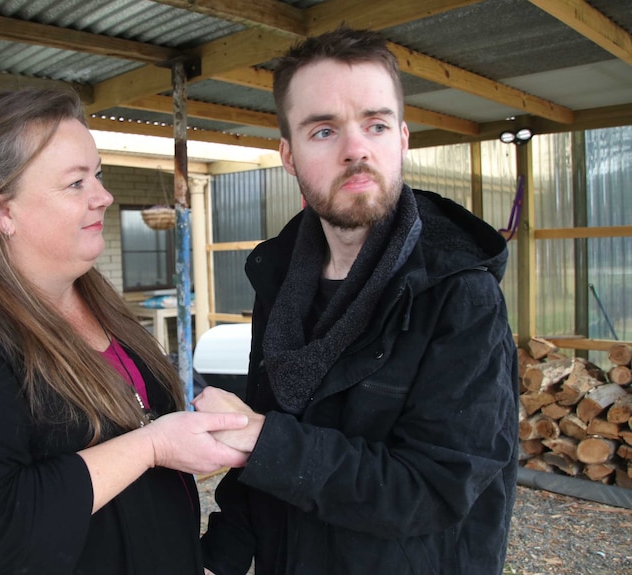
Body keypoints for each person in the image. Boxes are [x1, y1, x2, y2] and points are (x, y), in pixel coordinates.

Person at [0, 87, 249, 575]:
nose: (103, 197)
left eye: (99, 175)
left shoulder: (91, 295)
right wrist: (152, 446)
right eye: (75, 184)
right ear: (2, 211)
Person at [193, 26, 518, 575]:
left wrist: (266, 439)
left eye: (376, 124)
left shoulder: (460, 294)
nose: (356, 149)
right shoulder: (280, 282)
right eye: (323, 130)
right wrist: (214, 556)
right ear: (289, 155)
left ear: (403, 139)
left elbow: (434, 489)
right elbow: (269, 451)